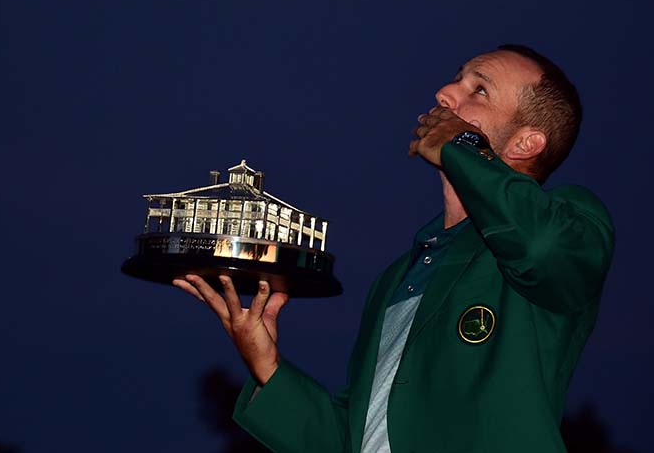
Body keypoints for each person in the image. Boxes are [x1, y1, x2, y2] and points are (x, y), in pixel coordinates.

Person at [174, 44, 614, 453]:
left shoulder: (569, 221)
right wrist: (266, 365)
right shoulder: (399, 275)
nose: (444, 93)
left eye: (478, 89)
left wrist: (463, 145)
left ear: (525, 143)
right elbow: (353, 438)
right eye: (456, 80)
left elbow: (539, 246)